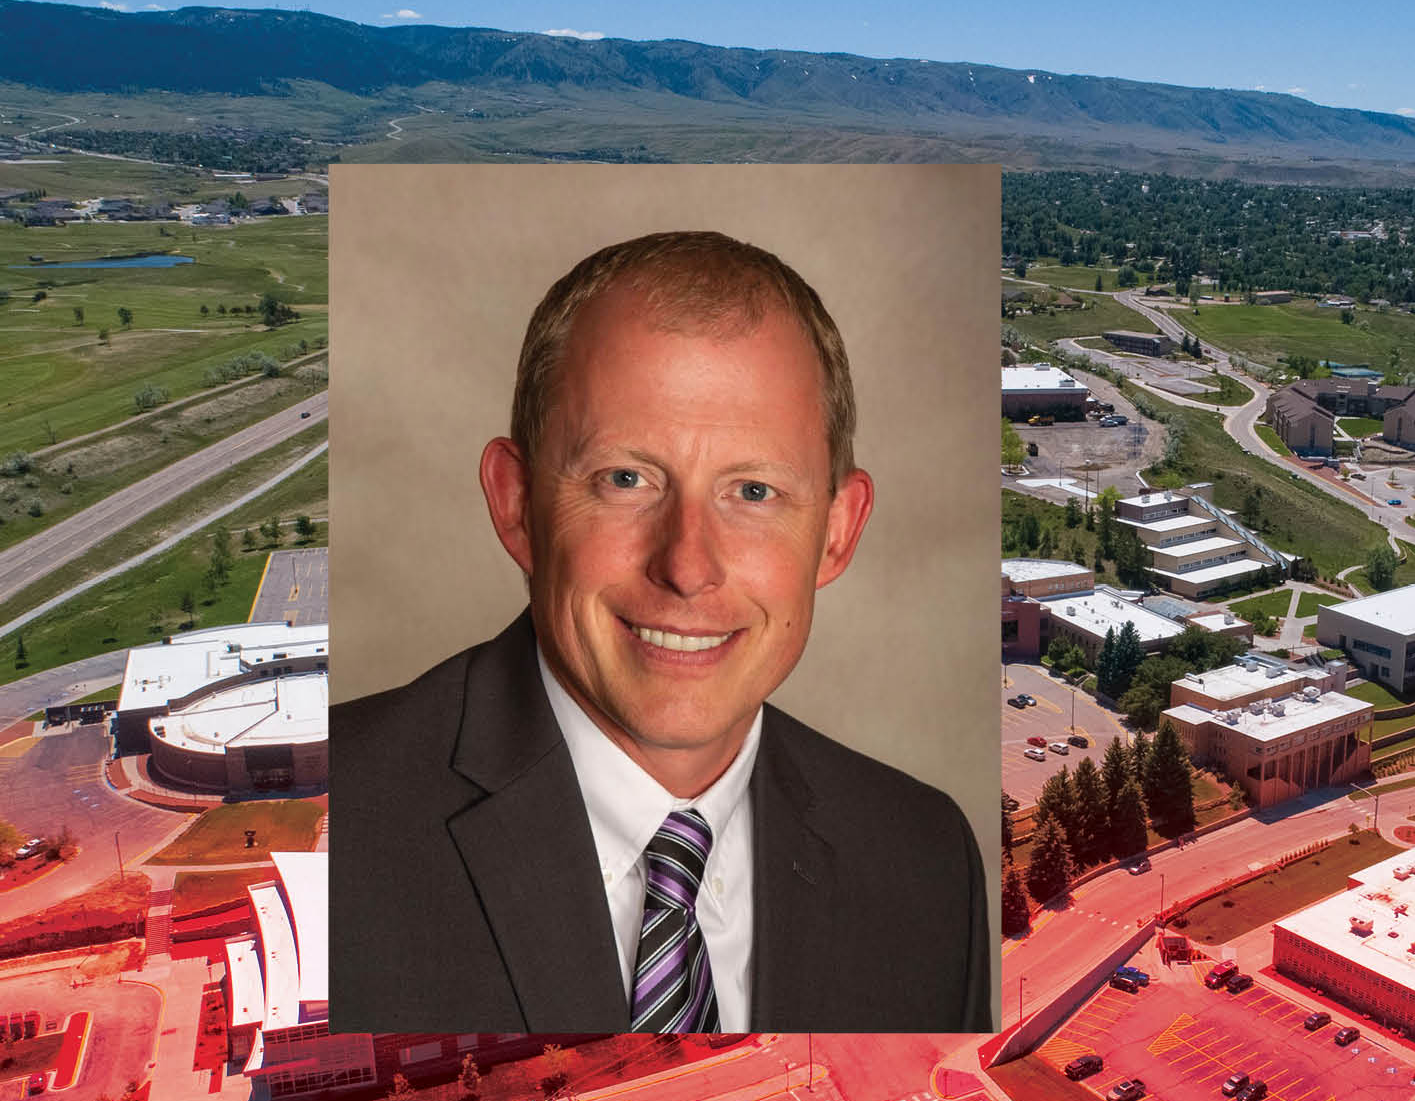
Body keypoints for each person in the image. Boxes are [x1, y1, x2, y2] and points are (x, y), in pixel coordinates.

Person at [331, 231, 990, 1034]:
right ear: (515, 504)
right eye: (625, 479)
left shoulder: (927, 866)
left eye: (753, 490)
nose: (686, 565)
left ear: (837, 531)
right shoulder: (335, 833)